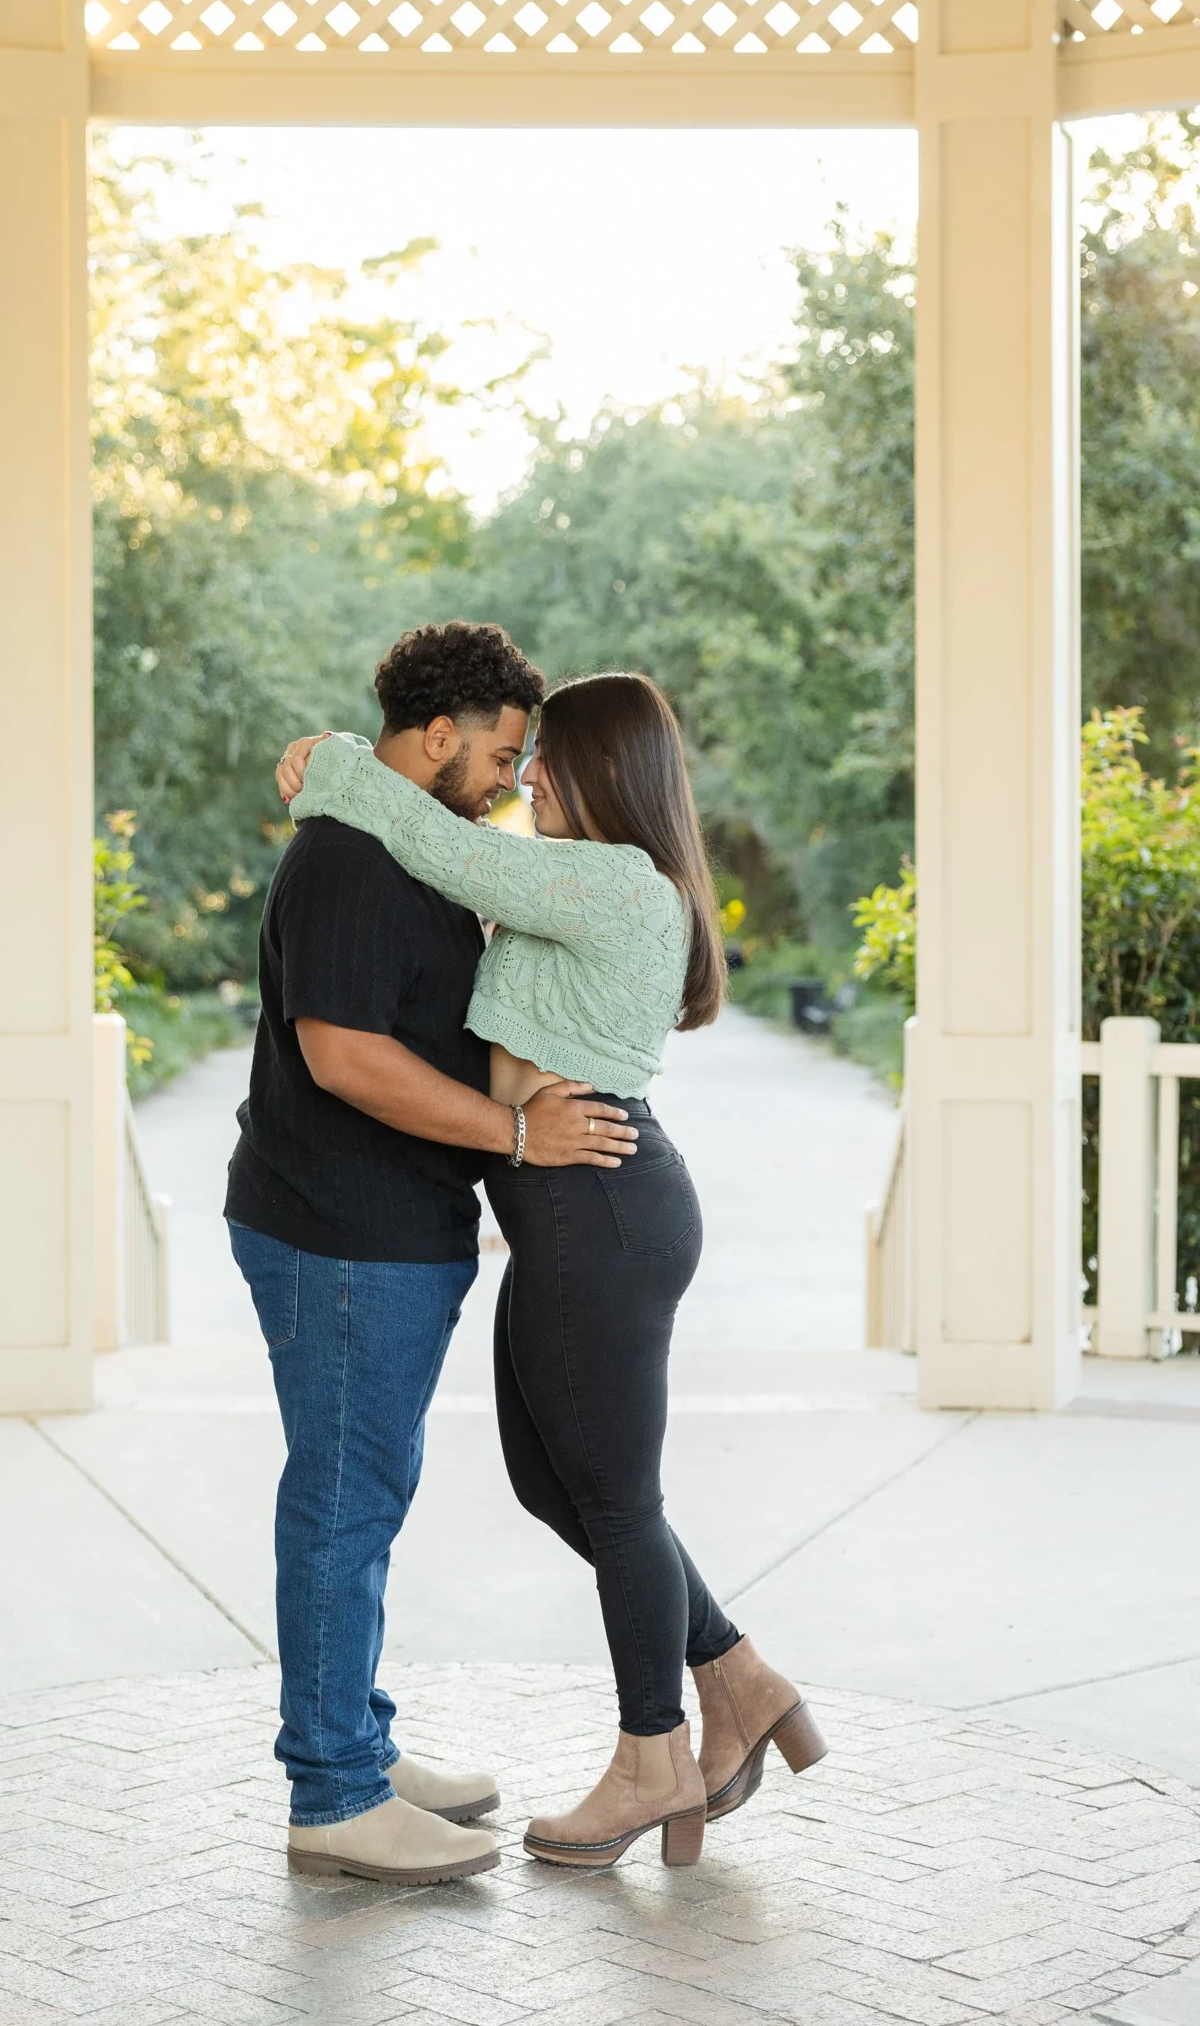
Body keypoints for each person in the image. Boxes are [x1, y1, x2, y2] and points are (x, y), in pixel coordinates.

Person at [276, 670, 828, 1874]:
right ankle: (740, 1675)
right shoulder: (576, 878)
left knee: (617, 1499)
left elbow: (437, 842)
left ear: (602, 767)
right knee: (553, 1482)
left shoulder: (617, 880)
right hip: (566, 1211)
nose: (524, 778)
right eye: (518, 760)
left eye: (544, 759)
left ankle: (652, 1754)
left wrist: (336, 758)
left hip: (600, 1207)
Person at [227, 622, 642, 1887]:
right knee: (342, 1503)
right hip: (339, 1233)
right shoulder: (352, 857)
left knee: (366, 1493)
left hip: (388, 1230)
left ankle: (355, 1741)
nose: (512, 781)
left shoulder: (404, 838)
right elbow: (346, 1055)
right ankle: (334, 1794)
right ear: (442, 733)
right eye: (504, 756)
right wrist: (517, 1132)